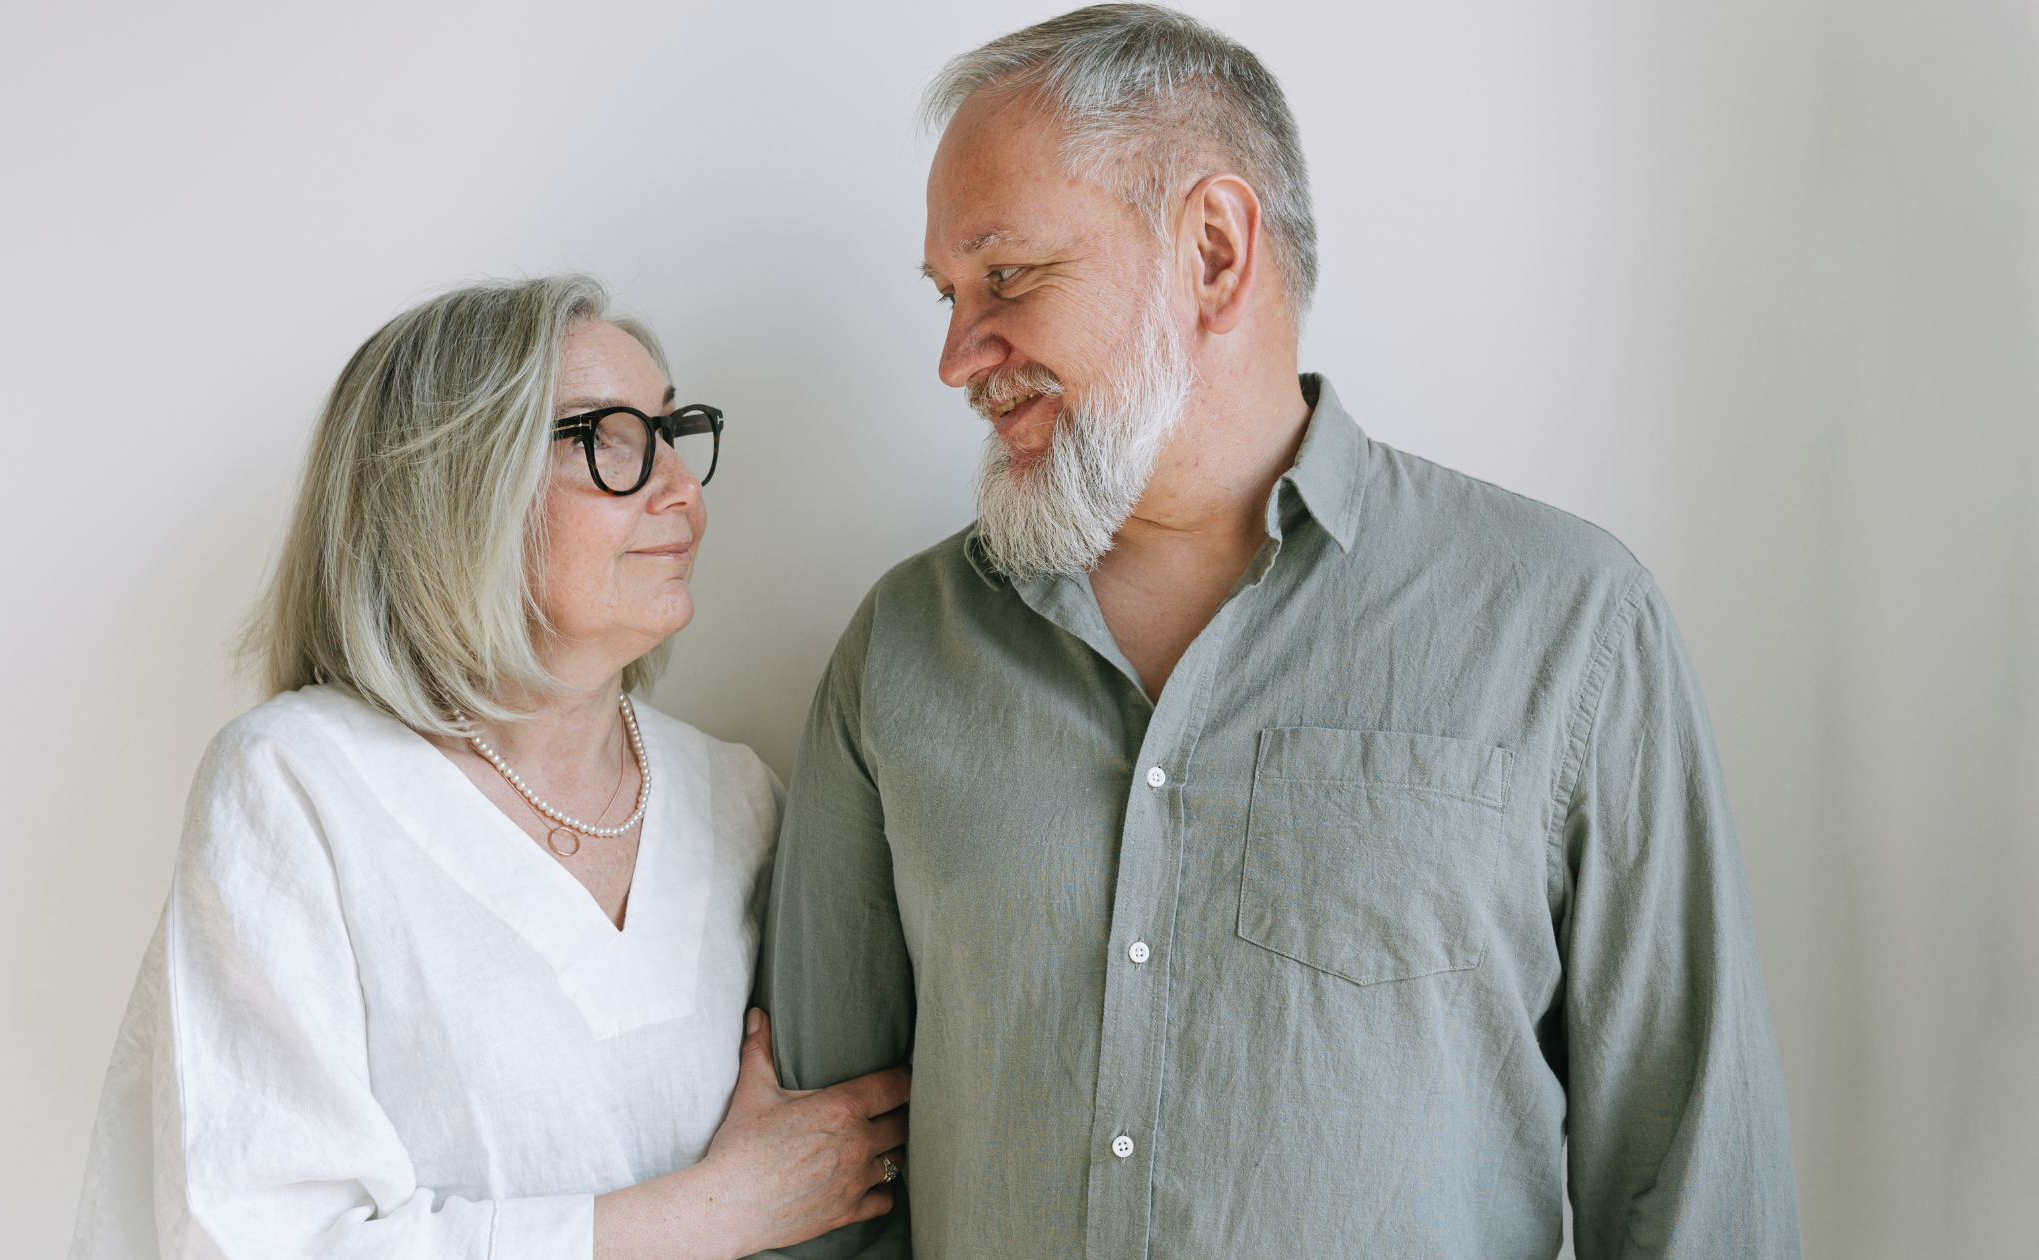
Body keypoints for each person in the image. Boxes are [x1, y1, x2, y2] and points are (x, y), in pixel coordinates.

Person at [761, 6, 1800, 1259]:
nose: (953, 357)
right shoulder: (903, 652)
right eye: (946, 294)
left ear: (1211, 250)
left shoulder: (1568, 625)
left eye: (1008, 277)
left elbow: (1691, 1193)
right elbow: (822, 1196)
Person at [69, 275, 908, 1260]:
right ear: (454, 484)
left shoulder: (736, 797)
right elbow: (258, 1233)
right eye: (613, 441)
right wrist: (708, 1215)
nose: (681, 489)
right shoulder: (298, 788)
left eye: (674, 433)